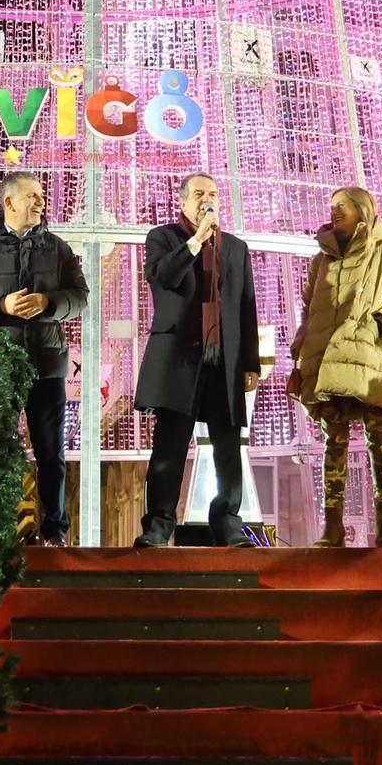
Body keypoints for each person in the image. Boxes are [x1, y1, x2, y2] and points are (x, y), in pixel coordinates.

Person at [0, 171, 89, 546]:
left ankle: (55, 532)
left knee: (51, 452)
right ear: (9, 202)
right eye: (32, 196)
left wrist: (49, 303)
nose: (41, 202)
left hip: (46, 365)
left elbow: (80, 297)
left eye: (42, 195)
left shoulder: (57, 248)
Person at [288, 186, 382, 547]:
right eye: (332, 206)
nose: (334, 211)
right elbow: (309, 307)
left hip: (370, 358)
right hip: (327, 360)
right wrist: (302, 343)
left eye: (342, 206)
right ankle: (332, 528)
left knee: (379, 439)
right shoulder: (322, 260)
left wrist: (380, 322)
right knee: (334, 440)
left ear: (363, 211)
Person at [134, 174, 262, 548]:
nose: (208, 200)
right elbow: (162, 277)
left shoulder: (236, 248)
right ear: (184, 202)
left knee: (227, 445)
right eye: (200, 195)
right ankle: (158, 525)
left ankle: (227, 523)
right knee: (170, 445)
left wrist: (249, 362)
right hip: (178, 359)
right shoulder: (164, 238)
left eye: (213, 194)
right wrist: (195, 241)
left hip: (224, 360)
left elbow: (247, 306)